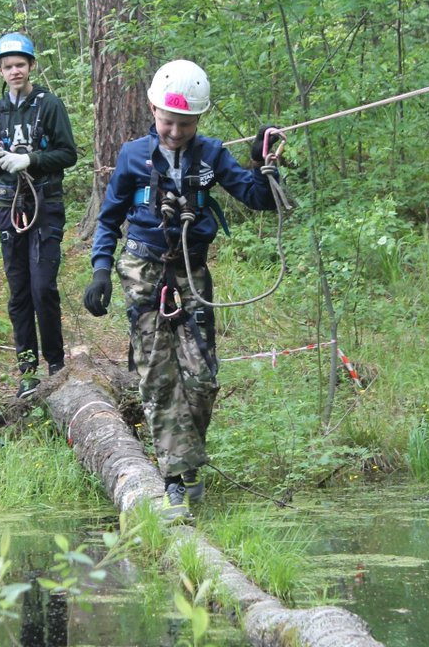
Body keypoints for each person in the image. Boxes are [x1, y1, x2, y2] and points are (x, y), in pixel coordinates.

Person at [83, 60, 282, 522]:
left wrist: (262, 162)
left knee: (203, 376)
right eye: (167, 121)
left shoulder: (212, 155)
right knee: (157, 373)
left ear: (199, 120)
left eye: (185, 123)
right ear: (152, 110)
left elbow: (256, 197)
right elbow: (109, 218)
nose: (174, 131)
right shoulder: (134, 156)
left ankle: (186, 464)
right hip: (142, 269)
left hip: (192, 272)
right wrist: (100, 271)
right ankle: (176, 479)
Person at [0, 33, 77, 398]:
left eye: (20, 64)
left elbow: (68, 153)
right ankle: (27, 369)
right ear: (0, 71)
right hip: (9, 206)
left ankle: (55, 363)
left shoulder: (49, 105)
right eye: (8, 66)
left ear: (31, 66)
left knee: (42, 286)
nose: (15, 71)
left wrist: (31, 159)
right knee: (19, 290)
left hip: (45, 204)